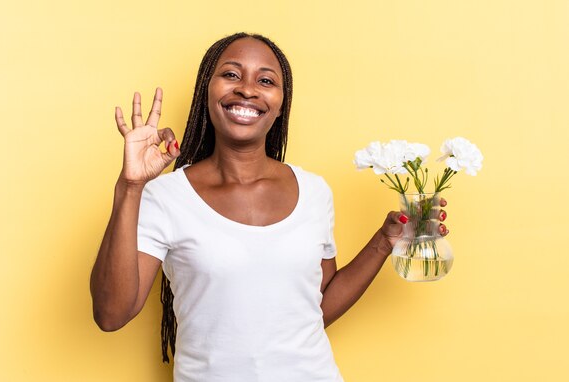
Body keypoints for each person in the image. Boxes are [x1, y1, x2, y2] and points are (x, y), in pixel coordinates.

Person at [90, 32, 447, 381]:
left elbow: (311, 312)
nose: (247, 88)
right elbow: (111, 314)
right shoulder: (166, 196)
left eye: (265, 80)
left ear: (279, 104)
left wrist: (384, 242)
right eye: (231, 74)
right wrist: (130, 187)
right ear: (206, 92)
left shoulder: (313, 191)